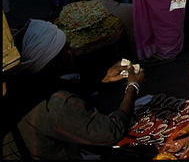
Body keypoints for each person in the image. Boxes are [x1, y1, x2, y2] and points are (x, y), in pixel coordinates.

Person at [6, 19, 146, 160]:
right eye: (66, 49)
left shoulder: (27, 83)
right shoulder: (56, 103)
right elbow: (112, 132)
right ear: (54, 61)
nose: (72, 51)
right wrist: (132, 87)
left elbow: (73, 86)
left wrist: (104, 80)